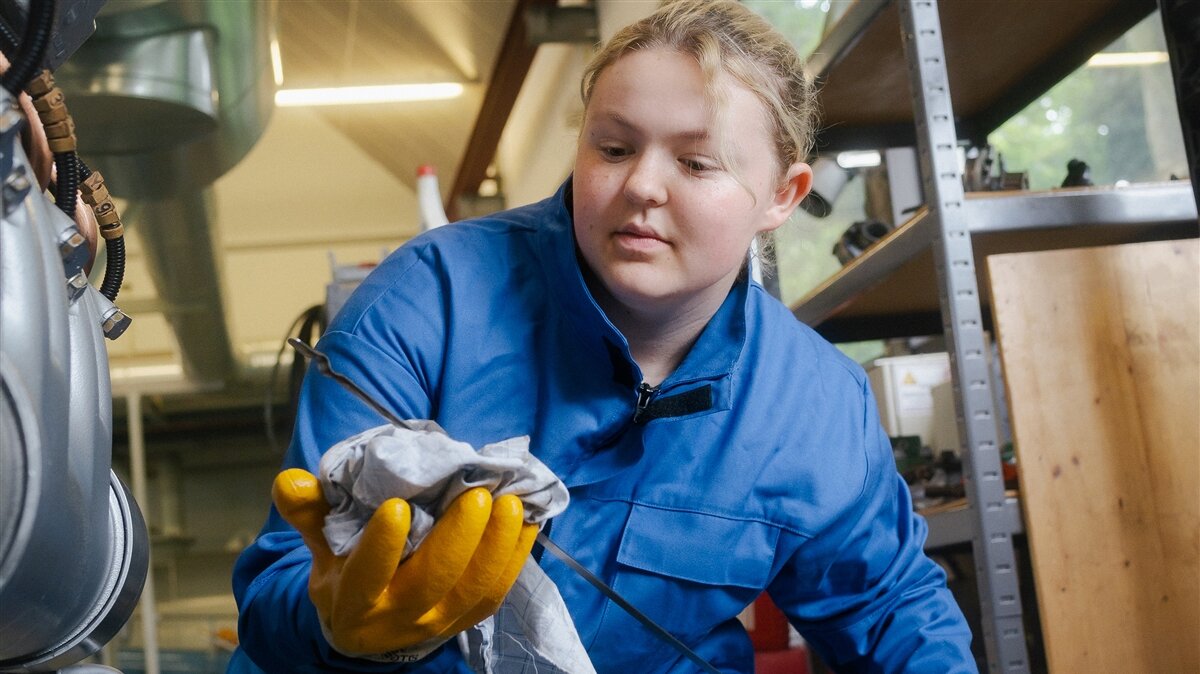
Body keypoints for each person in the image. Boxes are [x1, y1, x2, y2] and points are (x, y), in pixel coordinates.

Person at [230, 1, 976, 672]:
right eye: (613, 149)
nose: (643, 186)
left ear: (782, 197)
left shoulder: (813, 405)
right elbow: (278, 584)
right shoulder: (431, 298)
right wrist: (339, 631)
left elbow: (888, 612)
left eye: (695, 161)